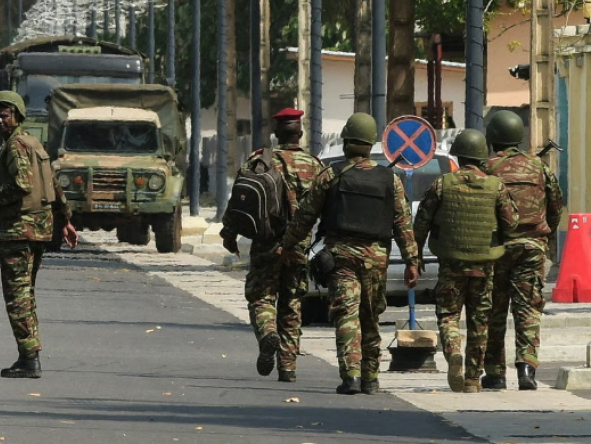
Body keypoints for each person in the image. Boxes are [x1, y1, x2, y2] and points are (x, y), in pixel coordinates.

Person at [277, 112, 420, 396]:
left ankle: (351, 375)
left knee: (346, 314)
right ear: (370, 144)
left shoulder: (331, 175)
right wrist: (411, 262)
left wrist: (288, 244)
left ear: (345, 142)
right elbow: (403, 224)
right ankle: (370, 377)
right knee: (370, 315)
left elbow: (305, 216)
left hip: (341, 256)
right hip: (376, 258)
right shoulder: (389, 179)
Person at [0, 90, 79, 378]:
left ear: (17, 116)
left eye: (4, 115)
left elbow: (22, 184)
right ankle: (28, 354)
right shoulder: (35, 144)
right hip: (40, 229)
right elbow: (54, 184)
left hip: (19, 231)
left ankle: (29, 357)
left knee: (17, 296)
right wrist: (66, 220)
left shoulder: (15, 147)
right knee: (26, 293)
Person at [221, 107, 324, 383]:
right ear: (300, 132)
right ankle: (288, 367)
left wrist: (228, 233)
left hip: (265, 244)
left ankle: (268, 333)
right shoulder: (315, 165)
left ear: (276, 133)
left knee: (261, 296)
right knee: (291, 304)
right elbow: (330, 206)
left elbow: (239, 200)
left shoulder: (259, 161)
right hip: (298, 248)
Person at [412, 129, 518, 393]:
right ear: (482, 156)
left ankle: (453, 351)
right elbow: (512, 224)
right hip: (484, 265)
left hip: (451, 264)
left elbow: (420, 223)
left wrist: (413, 257)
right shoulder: (496, 186)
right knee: (479, 320)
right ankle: (472, 378)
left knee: (448, 315)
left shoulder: (442, 184)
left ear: (458, 156)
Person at [481, 110, 566, 391]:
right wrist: (544, 236)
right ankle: (526, 369)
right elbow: (556, 206)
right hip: (532, 247)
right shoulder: (538, 167)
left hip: (496, 248)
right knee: (528, 309)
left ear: (493, 137)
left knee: (494, 310)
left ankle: (494, 373)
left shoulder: (486, 168)